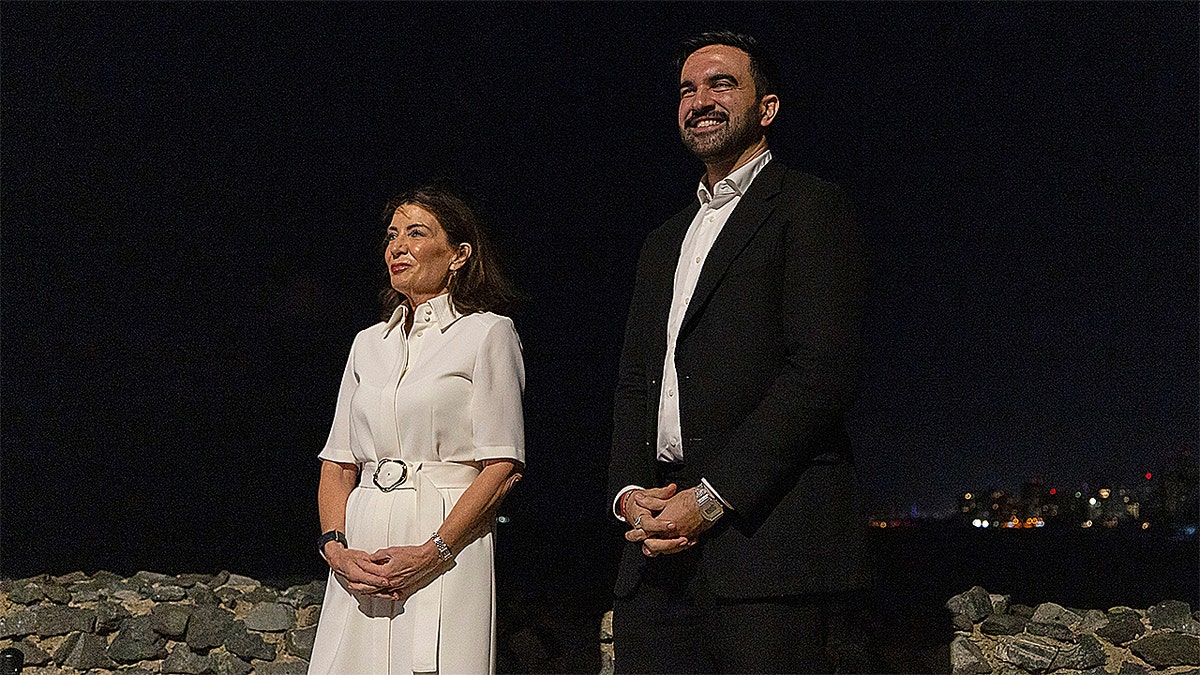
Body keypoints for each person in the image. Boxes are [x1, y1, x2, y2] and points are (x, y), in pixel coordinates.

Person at [607, 31, 871, 673]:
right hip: (656, 558)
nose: (700, 100)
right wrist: (627, 492)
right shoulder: (664, 241)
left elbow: (819, 375)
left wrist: (712, 497)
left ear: (767, 107)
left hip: (769, 553)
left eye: (722, 83)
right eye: (687, 89)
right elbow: (637, 383)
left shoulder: (811, 208)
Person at [309, 185, 525, 675]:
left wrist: (432, 552)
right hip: (362, 549)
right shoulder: (369, 343)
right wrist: (336, 550)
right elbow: (338, 462)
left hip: (447, 540)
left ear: (459, 255)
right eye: (391, 236)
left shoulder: (487, 333)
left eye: (416, 233)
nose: (397, 246)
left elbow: (502, 465)